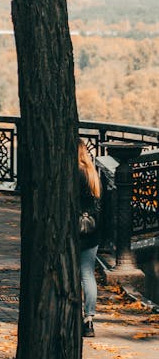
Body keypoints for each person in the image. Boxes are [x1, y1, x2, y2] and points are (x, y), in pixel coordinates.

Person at [79, 138, 104, 339]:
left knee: (80, 274)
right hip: (93, 230)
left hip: (77, 230)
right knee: (88, 274)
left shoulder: (75, 174)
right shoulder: (92, 173)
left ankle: (79, 313)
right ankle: (89, 317)